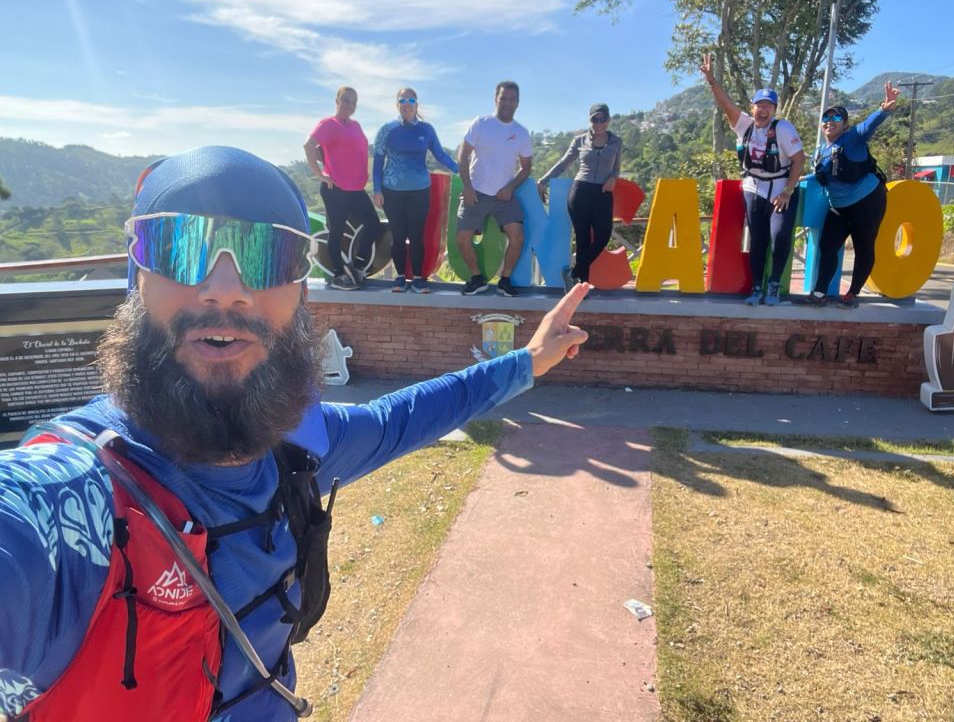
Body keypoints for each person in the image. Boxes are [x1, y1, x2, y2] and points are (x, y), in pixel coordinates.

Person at [0, 146, 589, 722]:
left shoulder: (296, 446)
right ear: (138, 282)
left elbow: (404, 417)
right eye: (180, 247)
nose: (225, 287)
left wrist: (527, 362)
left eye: (268, 255)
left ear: (301, 294)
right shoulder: (71, 501)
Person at [700, 54, 806, 306]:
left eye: (769, 106)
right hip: (753, 188)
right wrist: (711, 80)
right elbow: (726, 104)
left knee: (779, 236)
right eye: (759, 105)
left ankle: (774, 285)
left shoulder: (783, 129)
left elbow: (799, 159)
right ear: (752, 107)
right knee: (757, 239)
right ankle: (757, 287)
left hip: (780, 188)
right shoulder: (744, 125)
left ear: (775, 110)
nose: (763, 110)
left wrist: (788, 191)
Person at [797, 82, 900, 308]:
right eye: (826, 118)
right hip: (839, 206)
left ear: (844, 124)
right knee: (827, 246)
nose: (829, 122)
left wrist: (884, 109)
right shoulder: (820, 151)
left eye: (835, 118)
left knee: (864, 246)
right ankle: (819, 294)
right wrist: (796, 180)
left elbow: (867, 126)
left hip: (867, 201)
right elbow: (820, 175)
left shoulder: (852, 138)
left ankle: (852, 294)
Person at [372, 88, 460, 294]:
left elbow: (440, 155)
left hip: (420, 190)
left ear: (416, 105)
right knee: (398, 235)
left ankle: (419, 279)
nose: (407, 104)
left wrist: (459, 170)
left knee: (417, 235)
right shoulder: (386, 129)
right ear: (397, 105)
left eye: (411, 100)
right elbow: (377, 163)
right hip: (392, 190)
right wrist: (377, 190)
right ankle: (400, 278)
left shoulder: (426, 129)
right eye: (403, 100)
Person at [457, 81, 533, 297]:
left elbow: (526, 168)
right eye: (503, 98)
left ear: (517, 102)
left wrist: (510, 187)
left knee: (517, 236)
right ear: (495, 99)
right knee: (462, 238)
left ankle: (505, 280)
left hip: (503, 196)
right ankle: (477, 279)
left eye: (512, 99)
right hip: (476, 192)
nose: (507, 103)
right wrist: (467, 187)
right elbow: (462, 156)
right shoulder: (481, 123)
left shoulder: (521, 133)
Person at [303, 86, 382, 290]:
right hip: (335, 189)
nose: (349, 105)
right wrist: (320, 174)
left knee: (374, 225)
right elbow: (308, 145)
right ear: (337, 101)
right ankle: (338, 275)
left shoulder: (355, 125)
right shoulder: (329, 124)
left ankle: (357, 267)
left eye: (353, 102)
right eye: (346, 100)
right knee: (336, 232)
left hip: (356, 189)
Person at [537, 103, 622, 290]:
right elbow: (563, 163)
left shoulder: (616, 141)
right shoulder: (579, 141)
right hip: (581, 192)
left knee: (603, 236)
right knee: (583, 240)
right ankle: (580, 287)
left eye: (602, 119)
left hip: (603, 193)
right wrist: (543, 180)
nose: (599, 123)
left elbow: (616, 168)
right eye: (595, 119)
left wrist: (613, 178)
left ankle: (573, 274)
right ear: (590, 120)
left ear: (608, 120)